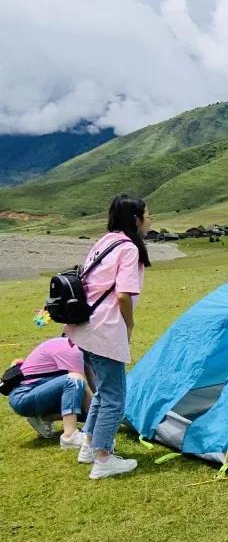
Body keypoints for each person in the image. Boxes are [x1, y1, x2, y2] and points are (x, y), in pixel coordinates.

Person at [67, 194, 152, 479]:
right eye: (147, 215)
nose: (150, 220)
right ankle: (103, 459)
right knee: (115, 397)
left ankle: (89, 446)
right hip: (105, 330)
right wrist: (130, 324)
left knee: (103, 391)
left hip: (85, 328)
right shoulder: (128, 248)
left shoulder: (104, 241)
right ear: (136, 219)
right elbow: (123, 294)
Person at [7, 335, 93, 446]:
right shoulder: (73, 350)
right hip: (23, 397)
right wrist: (100, 418)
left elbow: (93, 385)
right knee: (75, 379)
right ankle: (70, 436)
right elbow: (81, 385)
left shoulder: (78, 350)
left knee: (86, 404)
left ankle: (43, 417)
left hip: (37, 394)